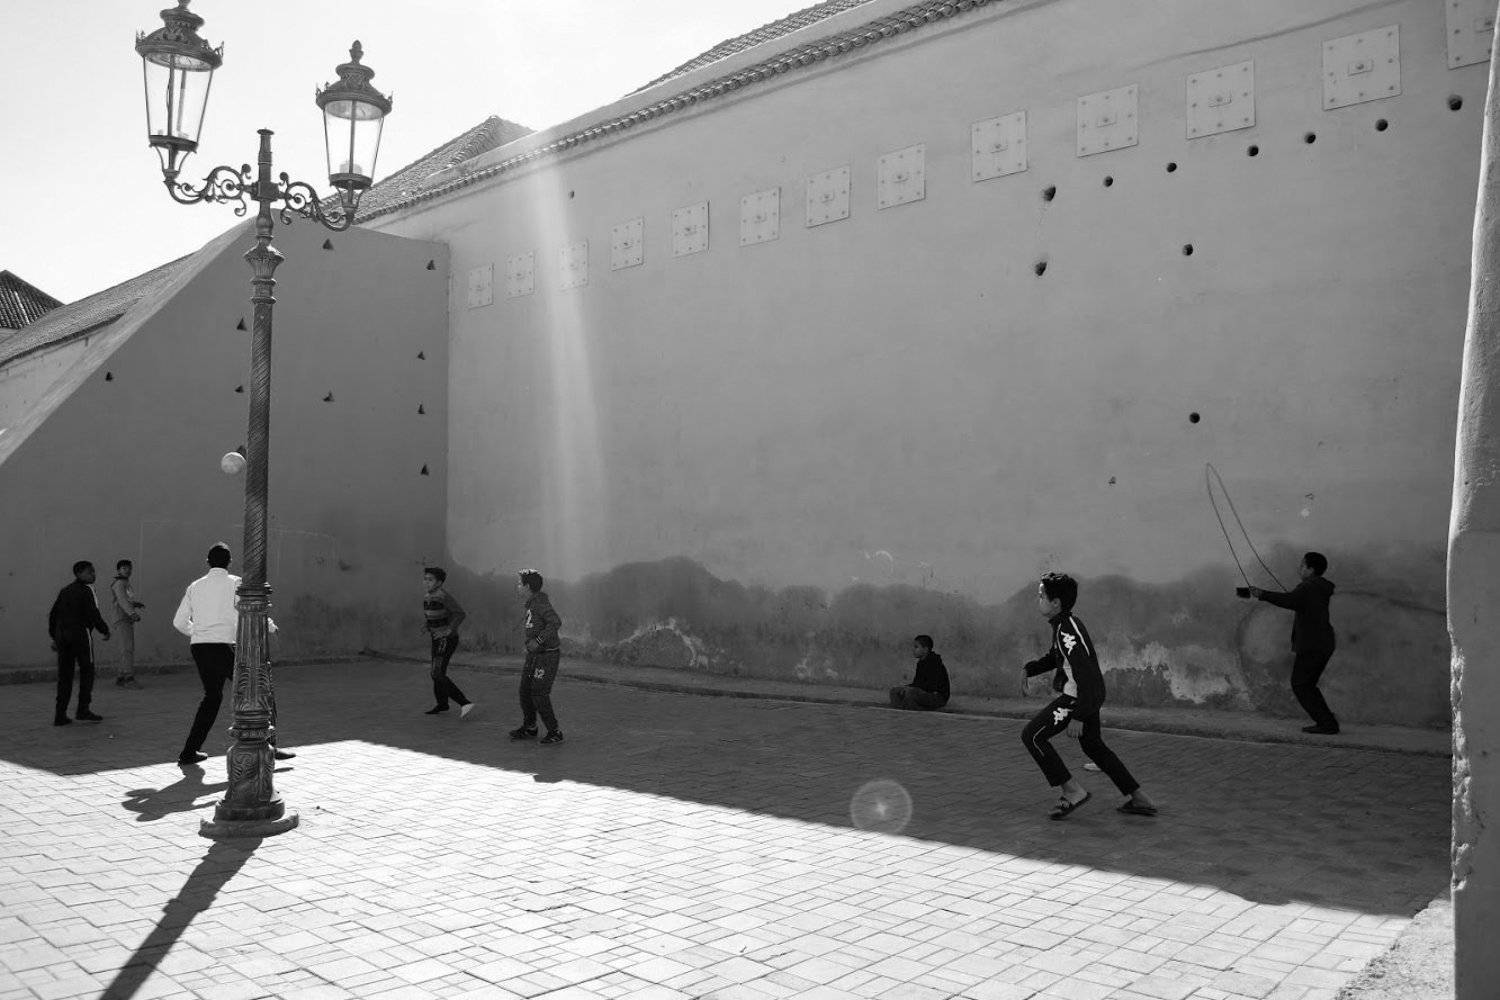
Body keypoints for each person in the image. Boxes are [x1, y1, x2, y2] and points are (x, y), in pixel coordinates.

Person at [1020, 573, 1157, 819]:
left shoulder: (1067, 631)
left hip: (1078, 698)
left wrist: (1079, 715)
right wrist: (1029, 669)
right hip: (1086, 697)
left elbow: (1088, 674)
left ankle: (1072, 791)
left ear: (1056, 603)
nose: (1037, 600)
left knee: (1033, 736)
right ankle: (1139, 798)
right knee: (1094, 746)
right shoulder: (1063, 625)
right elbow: (1055, 657)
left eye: (1041, 596)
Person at [171, 543, 293, 766]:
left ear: (207, 562)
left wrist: (199, 632)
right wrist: (271, 627)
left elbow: (179, 622)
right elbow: (253, 610)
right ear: (229, 562)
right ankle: (269, 747)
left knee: (212, 697)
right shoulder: (236, 583)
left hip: (200, 647)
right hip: (225, 646)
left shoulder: (195, 586)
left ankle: (189, 752)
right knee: (260, 690)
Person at [1242, 551, 1339, 735]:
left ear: (1311, 569)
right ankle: (1327, 720)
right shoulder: (1319, 587)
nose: (1299, 569)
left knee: (1301, 684)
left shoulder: (1309, 587)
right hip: (1323, 643)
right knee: (1307, 684)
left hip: (1313, 644)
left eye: (1302, 565)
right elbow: (1296, 601)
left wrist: (1262, 594)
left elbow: (1290, 600)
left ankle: (1327, 723)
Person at [47, 560, 110, 726]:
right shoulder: (87, 591)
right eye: (90, 572)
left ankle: (60, 715)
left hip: (63, 637)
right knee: (87, 672)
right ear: (79, 574)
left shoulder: (65, 591)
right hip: (81, 636)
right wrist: (104, 630)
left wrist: (55, 636)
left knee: (65, 676)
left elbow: (53, 615)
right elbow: (93, 614)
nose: (94, 575)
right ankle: (82, 710)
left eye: (93, 571)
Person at [509, 569, 565, 745]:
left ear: (527, 586)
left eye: (520, 583)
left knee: (539, 693)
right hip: (533, 656)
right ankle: (530, 727)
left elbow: (555, 622)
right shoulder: (531, 603)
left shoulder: (540, 603)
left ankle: (554, 732)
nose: (517, 586)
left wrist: (538, 640)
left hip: (547, 656)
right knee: (525, 691)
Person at [421, 566, 474, 717]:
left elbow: (459, 613)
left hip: (446, 640)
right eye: (425, 579)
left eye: (430, 580)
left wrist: (448, 630)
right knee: (438, 672)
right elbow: (433, 615)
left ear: (439, 583)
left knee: (436, 673)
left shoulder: (443, 596)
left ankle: (464, 703)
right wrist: (427, 625)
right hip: (436, 639)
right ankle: (442, 704)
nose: (426, 582)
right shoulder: (427, 596)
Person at [110, 559, 147, 689]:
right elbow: (122, 600)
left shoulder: (125, 583)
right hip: (122, 619)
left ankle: (121, 676)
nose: (128, 570)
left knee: (125, 648)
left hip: (124, 618)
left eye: (129, 568)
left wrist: (135, 604)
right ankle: (128, 678)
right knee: (127, 648)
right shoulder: (120, 583)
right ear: (118, 570)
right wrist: (132, 613)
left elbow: (126, 599)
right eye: (124, 568)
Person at [889, 634, 950, 710]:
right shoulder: (921, 663)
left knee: (911, 693)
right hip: (924, 692)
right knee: (895, 691)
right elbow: (917, 682)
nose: (913, 650)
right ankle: (900, 711)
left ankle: (917, 711)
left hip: (937, 697)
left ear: (925, 649)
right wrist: (906, 687)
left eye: (916, 647)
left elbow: (931, 686)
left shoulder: (934, 663)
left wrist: (912, 689)